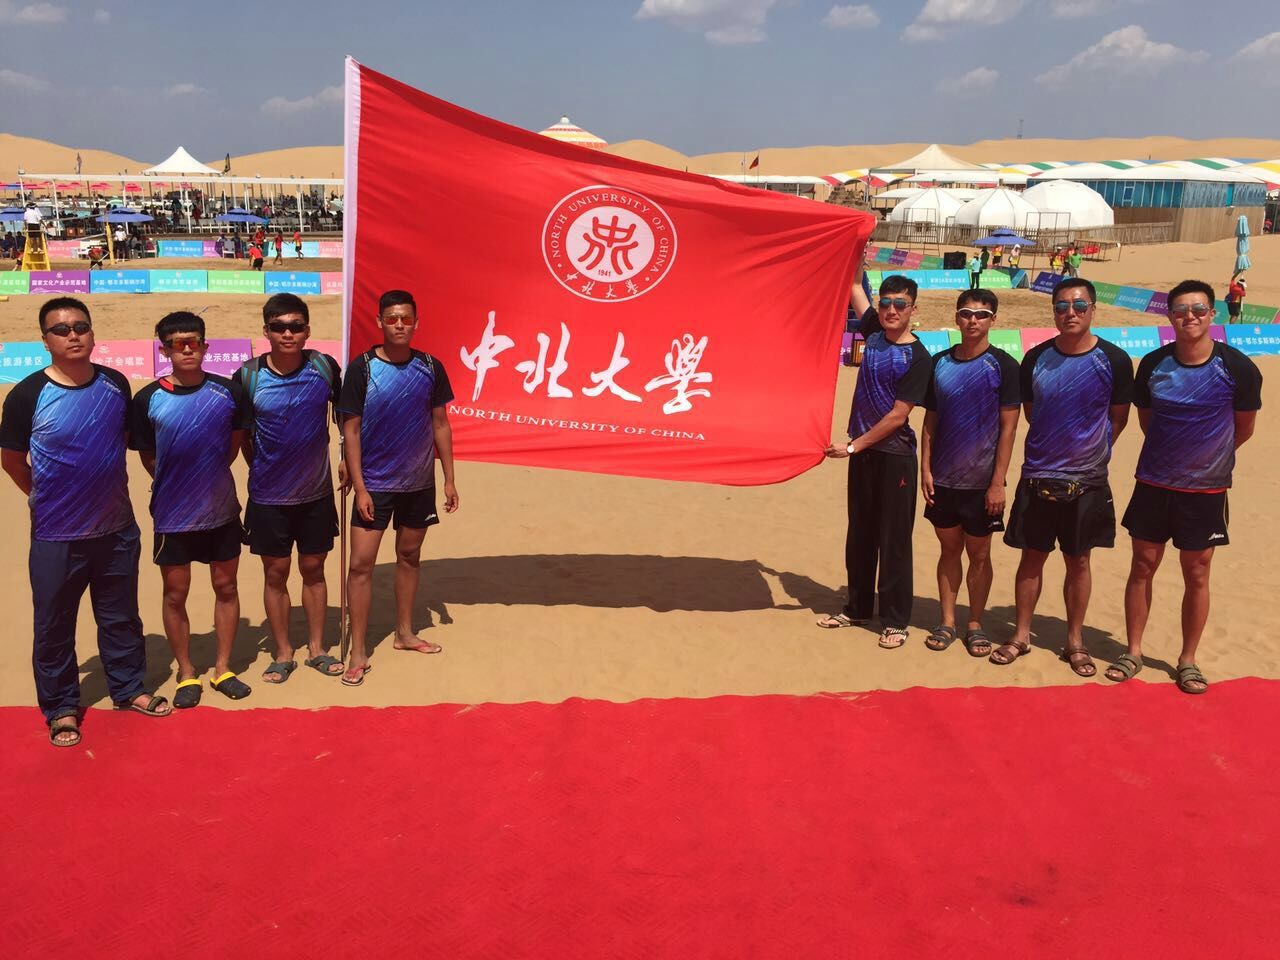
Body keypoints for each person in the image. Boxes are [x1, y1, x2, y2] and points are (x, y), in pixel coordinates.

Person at [0, 297, 171, 747]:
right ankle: (61, 707)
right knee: (54, 625)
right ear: (45, 341)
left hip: (116, 529)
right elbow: (12, 460)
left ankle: (128, 687)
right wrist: (40, 495)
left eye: (80, 327)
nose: (72, 335)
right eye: (61, 330)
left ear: (93, 333)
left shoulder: (115, 384)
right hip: (56, 535)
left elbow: (123, 440)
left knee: (121, 617)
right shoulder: (27, 395)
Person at [1109, 280, 1262, 694]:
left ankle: (1187, 659)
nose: (1189, 317)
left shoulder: (1238, 367)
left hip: (1206, 491)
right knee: (1142, 565)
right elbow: (1147, 421)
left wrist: (1205, 458)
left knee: (1196, 573)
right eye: (1180, 310)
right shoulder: (1153, 364)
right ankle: (1133, 651)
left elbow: (1243, 429)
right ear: (1169, 316)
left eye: (1197, 309)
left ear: (1212, 314)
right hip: (1154, 483)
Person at [994, 278, 1134, 674]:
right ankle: (1021, 634)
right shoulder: (1035, 358)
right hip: (1038, 474)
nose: (1070, 313)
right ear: (1053, 312)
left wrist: (1088, 452)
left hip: (1087, 481)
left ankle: (1074, 640)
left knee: (1079, 561)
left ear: (1093, 309)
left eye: (1078, 305)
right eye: (1061, 307)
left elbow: (1119, 418)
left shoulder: (1115, 360)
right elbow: (1031, 412)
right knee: (1031, 558)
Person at [340, 289, 459, 685]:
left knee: (409, 556)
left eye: (406, 319)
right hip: (374, 484)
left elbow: (440, 424)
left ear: (416, 323)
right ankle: (358, 650)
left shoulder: (430, 366)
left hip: (418, 482)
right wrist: (360, 487)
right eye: (391, 319)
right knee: (361, 565)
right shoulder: (362, 368)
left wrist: (449, 479)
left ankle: (404, 633)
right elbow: (351, 430)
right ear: (379, 322)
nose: (399, 325)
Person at [133, 312, 249, 708]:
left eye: (193, 342)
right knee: (175, 594)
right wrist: (178, 483)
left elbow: (233, 444)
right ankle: (186, 671)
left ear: (205, 346)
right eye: (177, 344)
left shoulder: (229, 392)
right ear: (164, 349)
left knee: (226, 587)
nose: (186, 349)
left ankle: (223, 669)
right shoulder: (147, 399)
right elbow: (149, 455)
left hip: (221, 509)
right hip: (172, 514)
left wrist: (206, 477)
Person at [236, 294, 346, 683]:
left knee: (314, 569)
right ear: (266, 331)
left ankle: (317, 649)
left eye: (296, 326)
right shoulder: (248, 376)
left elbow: (346, 419)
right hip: (268, 497)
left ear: (307, 331)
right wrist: (265, 470)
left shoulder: (324, 368)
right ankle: (283, 653)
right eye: (280, 327)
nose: (288, 334)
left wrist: (346, 458)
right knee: (275, 573)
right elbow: (243, 436)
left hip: (316, 494)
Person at [819, 274, 931, 648]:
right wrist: (856, 250)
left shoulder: (918, 357)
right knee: (860, 535)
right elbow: (854, 287)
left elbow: (898, 416)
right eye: (885, 303)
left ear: (913, 309)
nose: (891, 310)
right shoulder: (874, 333)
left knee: (893, 541)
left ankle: (896, 621)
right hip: (864, 456)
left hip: (895, 459)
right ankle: (858, 608)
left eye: (900, 304)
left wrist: (853, 447)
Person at [920, 289, 1020, 657]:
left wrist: (997, 483)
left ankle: (975, 622)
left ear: (994, 319)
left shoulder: (1005, 366)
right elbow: (930, 421)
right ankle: (947, 621)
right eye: (966, 313)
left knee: (979, 554)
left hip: (982, 483)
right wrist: (925, 469)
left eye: (981, 314)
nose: (972, 320)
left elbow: (1009, 428)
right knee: (949, 550)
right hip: (943, 479)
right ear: (957, 317)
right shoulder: (939, 363)